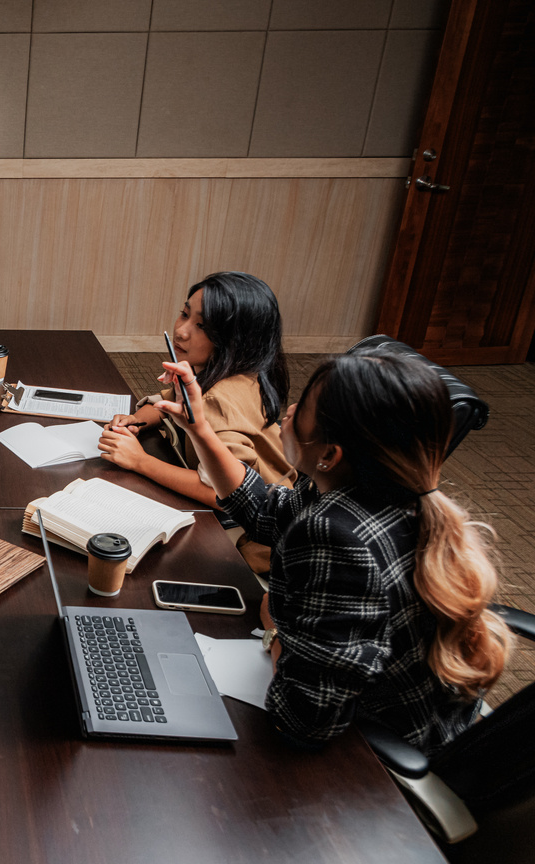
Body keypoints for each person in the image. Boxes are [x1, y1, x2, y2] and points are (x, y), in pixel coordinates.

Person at [156, 346, 511, 754]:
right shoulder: (380, 491)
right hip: (428, 718)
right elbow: (266, 511)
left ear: (329, 454)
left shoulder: (338, 536)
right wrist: (200, 428)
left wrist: (276, 629)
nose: (289, 409)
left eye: (303, 408)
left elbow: (302, 717)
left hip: (377, 756)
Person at [97, 272, 295, 571]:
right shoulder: (238, 371)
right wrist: (138, 419)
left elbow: (221, 492)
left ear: (236, 339)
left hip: (251, 536)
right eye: (184, 313)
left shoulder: (219, 400)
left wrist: (139, 461)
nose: (181, 331)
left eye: (201, 326)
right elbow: (172, 404)